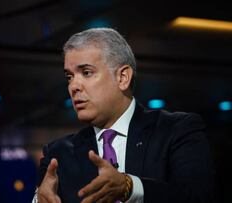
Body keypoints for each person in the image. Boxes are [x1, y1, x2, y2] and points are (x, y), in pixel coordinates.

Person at [34, 28, 215, 203]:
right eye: (69, 77)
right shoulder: (57, 155)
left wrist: (129, 187)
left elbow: (197, 197)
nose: (74, 86)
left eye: (86, 72)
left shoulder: (177, 130)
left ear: (122, 78)